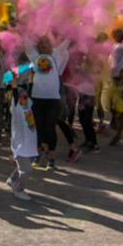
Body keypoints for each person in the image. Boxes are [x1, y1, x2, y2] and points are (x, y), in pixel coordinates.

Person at [24, 34, 72, 171]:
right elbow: (26, 41)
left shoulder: (56, 57)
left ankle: (51, 157)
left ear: (51, 45)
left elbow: (65, 43)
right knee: (38, 127)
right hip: (37, 98)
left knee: (50, 128)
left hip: (52, 99)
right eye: (42, 42)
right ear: (38, 46)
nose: (44, 44)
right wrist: (19, 27)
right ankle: (37, 155)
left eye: (47, 42)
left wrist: (73, 30)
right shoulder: (35, 57)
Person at [6, 71, 36, 201]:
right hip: (20, 144)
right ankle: (19, 190)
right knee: (27, 170)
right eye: (23, 97)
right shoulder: (16, 108)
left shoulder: (28, 106)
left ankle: (11, 180)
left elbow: (30, 88)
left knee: (22, 166)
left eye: (26, 97)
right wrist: (14, 79)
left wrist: (32, 76)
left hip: (28, 144)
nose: (26, 98)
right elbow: (14, 91)